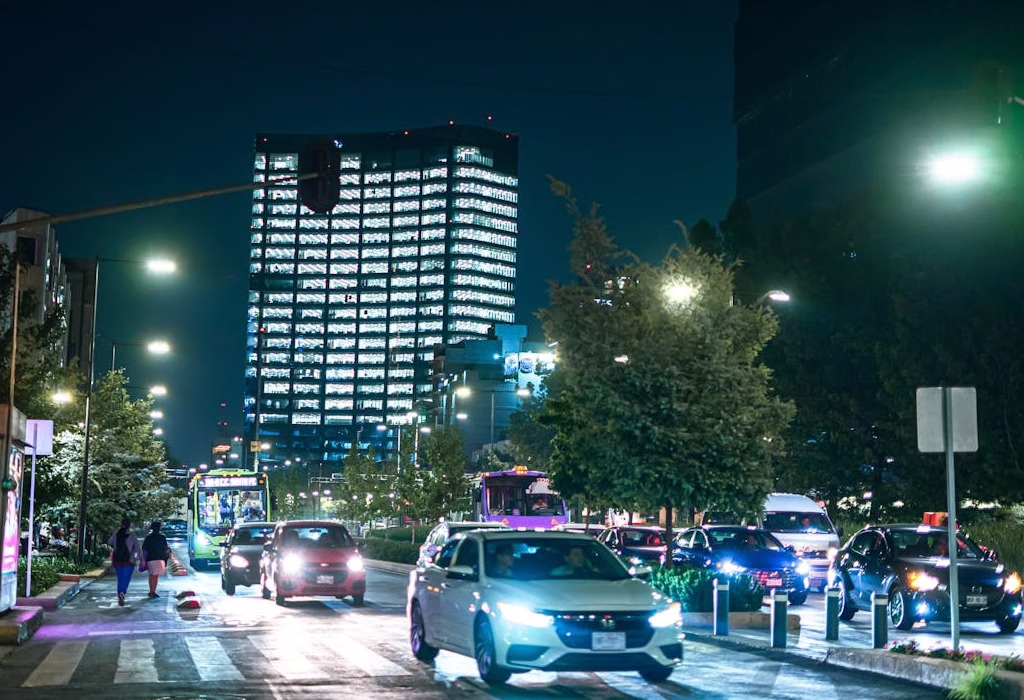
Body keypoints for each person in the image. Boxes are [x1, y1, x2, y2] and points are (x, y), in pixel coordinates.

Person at [108, 518, 143, 606]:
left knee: (120, 578)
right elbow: (138, 549)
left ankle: (120, 593)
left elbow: (109, 542)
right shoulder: (132, 536)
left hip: (117, 560)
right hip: (129, 561)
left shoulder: (116, 534)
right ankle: (122, 593)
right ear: (129, 526)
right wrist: (142, 559)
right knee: (126, 578)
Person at [141, 521, 170, 599]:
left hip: (150, 559)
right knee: (155, 576)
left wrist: (143, 559)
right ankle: (152, 591)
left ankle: (152, 591)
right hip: (159, 559)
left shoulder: (148, 537)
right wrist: (166, 560)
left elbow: (144, 549)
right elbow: (166, 549)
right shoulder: (162, 537)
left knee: (152, 575)